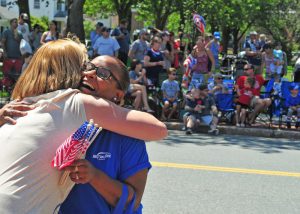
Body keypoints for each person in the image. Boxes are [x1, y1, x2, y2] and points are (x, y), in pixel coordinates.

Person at [0, 39, 167, 213]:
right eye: (87, 67)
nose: (90, 74)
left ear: (118, 95)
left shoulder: (128, 136)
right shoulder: (58, 113)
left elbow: (131, 203)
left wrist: (94, 176)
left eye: (103, 73)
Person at [1, 18, 23, 90]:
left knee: (17, 76)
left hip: (18, 58)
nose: (16, 24)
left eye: (17, 22)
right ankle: (6, 91)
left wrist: (17, 39)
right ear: (10, 23)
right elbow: (2, 43)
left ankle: (15, 90)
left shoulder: (19, 33)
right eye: (14, 22)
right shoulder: (6, 32)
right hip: (8, 57)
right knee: (7, 76)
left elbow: (22, 44)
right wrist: (4, 52)